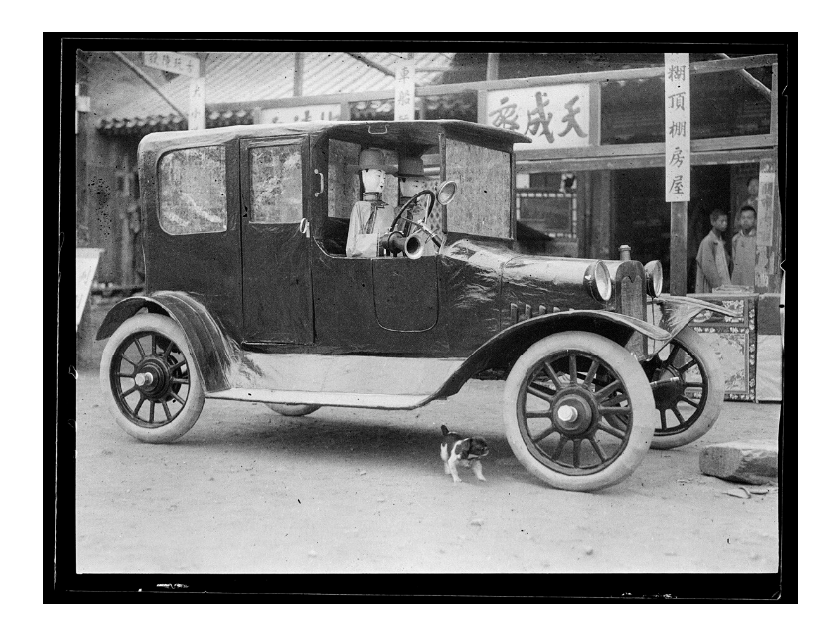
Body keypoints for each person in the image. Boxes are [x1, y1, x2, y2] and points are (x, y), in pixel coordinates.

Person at [345, 149, 397, 258]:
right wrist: (381, 241)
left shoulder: (390, 209)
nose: (382, 181)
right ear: (364, 175)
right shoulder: (359, 207)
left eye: (384, 177)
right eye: (378, 176)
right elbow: (352, 247)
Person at [394, 155, 436, 257]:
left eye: (422, 186)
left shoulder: (422, 212)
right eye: (416, 186)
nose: (419, 191)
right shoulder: (396, 212)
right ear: (401, 184)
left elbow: (428, 245)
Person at [694, 208, 731, 293]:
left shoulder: (720, 241)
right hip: (713, 287)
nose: (725, 224)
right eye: (721, 221)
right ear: (713, 222)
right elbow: (708, 268)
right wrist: (718, 287)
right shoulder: (708, 241)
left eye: (726, 221)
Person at [731, 204, 757, 288]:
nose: (745, 220)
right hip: (738, 283)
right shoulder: (735, 239)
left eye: (749, 218)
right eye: (743, 218)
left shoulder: (758, 240)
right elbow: (734, 261)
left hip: (753, 283)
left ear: (755, 220)